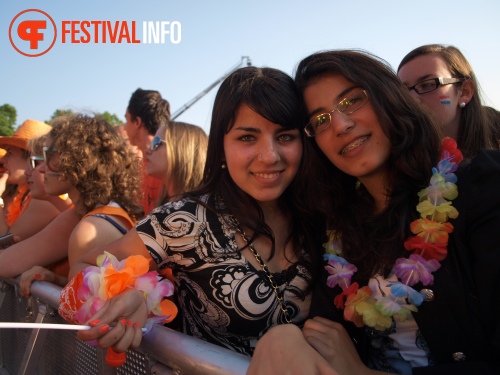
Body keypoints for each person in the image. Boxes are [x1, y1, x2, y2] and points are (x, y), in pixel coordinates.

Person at [248, 50, 500, 375]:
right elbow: (322, 335)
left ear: (389, 98)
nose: (340, 125)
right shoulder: (338, 231)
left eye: (352, 101)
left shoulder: (483, 185)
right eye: (320, 120)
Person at [66, 67, 323, 356]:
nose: (270, 156)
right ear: (221, 147)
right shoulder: (184, 220)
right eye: (247, 138)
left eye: (285, 136)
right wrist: (132, 293)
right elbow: (83, 267)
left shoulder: (323, 214)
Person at [13, 114, 143, 296]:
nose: (41, 168)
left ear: (78, 161)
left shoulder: (89, 230)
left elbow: (86, 315)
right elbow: (94, 295)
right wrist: (56, 280)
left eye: (49, 155)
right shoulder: (105, 212)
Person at [397, 44, 500, 159]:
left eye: (427, 85)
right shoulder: (396, 165)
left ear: (465, 92)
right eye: (403, 92)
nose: (412, 99)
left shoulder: (494, 162)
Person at [0, 119, 67, 240]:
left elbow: (5, 240)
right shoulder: (14, 190)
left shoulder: (48, 197)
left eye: (9, 153)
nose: (2, 160)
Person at [125, 88, 171, 213]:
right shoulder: (142, 167)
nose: (124, 126)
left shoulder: (164, 169)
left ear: (137, 122)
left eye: (126, 119)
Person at [145, 120, 207, 203]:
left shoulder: (192, 212)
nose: (147, 150)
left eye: (155, 142)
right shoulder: (168, 204)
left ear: (181, 151)